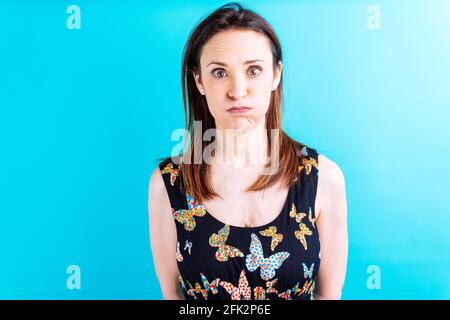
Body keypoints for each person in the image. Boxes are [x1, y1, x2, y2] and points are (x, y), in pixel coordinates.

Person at [148, 2, 347, 300]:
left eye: (253, 70)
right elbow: (172, 297)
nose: (237, 90)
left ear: (275, 75)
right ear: (199, 80)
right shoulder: (169, 183)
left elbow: (329, 296)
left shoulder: (322, 178)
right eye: (219, 72)